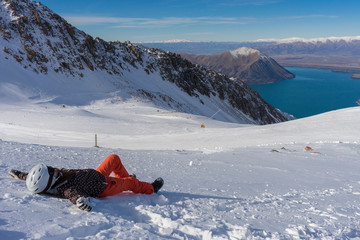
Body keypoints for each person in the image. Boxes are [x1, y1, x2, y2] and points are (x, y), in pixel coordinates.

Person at [8, 154, 164, 212]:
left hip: (97, 175)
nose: (53, 168)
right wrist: (81, 202)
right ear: (48, 179)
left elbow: (34, 177)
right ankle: (151, 188)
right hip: (104, 186)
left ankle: (126, 178)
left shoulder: (57, 176)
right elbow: (74, 195)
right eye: (50, 170)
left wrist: (20, 175)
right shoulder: (65, 188)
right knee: (131, 184)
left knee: (113, 159)